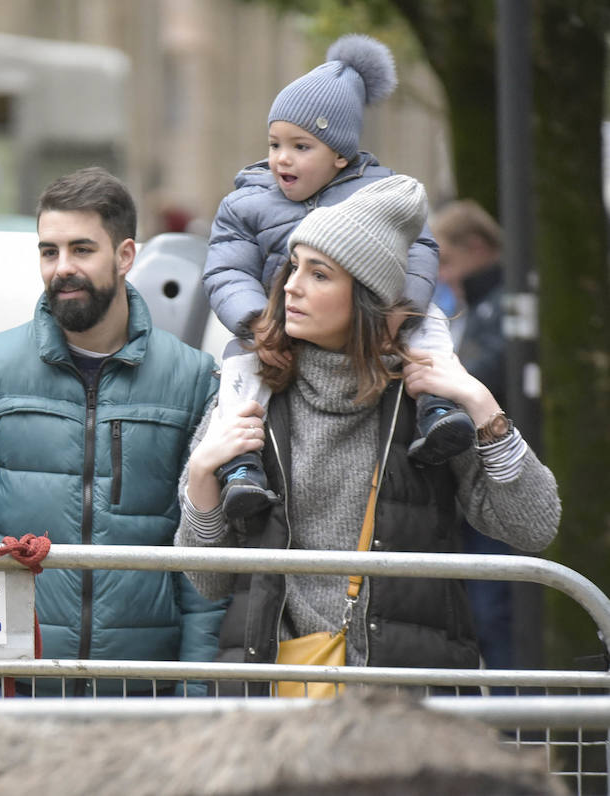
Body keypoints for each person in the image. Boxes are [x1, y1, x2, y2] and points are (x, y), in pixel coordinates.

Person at [174, 175, 560, 691]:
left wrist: (483, 405)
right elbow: (208, 579)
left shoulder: (425, 404)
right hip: (277, 709)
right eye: (294, 267)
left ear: (367, 297)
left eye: (319, 274)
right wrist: (202, 475)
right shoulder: (249, 392)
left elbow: (534, 526)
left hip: (408, 707)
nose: (291, 285)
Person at [0, 167, 224, 697]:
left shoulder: (193, 380)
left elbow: (204, 569)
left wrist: (201, 696)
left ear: (126, 256)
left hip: (145, 700)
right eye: (49, 251)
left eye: (82, 249)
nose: (62, 268)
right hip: (15, 690)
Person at [202, 34, 468, 522]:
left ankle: (439, 408)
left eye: (301, 146)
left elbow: (421, 249)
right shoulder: (247, 202)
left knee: (429, 325)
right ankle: (240, 466)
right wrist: (255, 322)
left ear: (340, 154)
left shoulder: (384, 193)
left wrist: (400, 307)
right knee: (238, 372)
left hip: (375, 320)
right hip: (278, 326)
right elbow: (226, 268)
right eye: (275, 144)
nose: (282, 158)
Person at [433, 198, 517, 676]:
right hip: (478, 493)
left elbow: (478, 379)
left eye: (446, 260)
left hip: (499, 489)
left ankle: (516, 735)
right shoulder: (478, 310)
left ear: (478, 248)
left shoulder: (502, 309)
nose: (442, 276)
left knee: (495, 615)